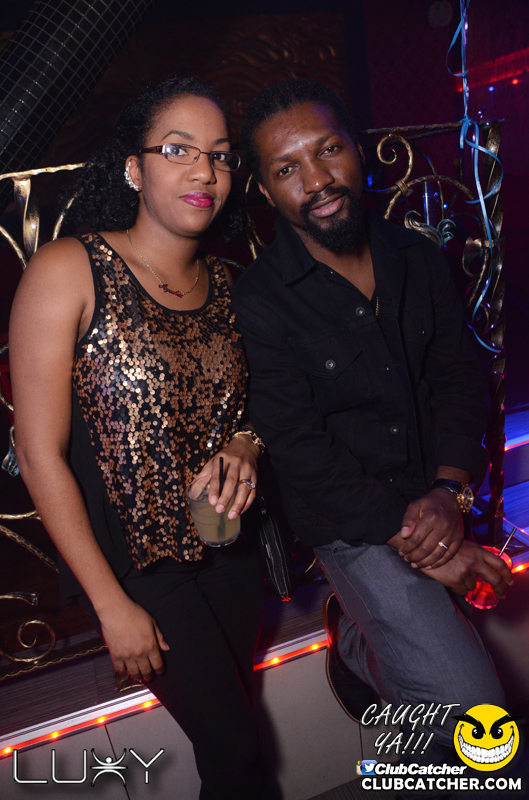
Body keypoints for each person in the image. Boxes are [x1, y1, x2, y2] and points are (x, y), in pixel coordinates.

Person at [232, 78, 513, 792]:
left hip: (433, 490)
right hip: (351, 520)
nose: (316, 180)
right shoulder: (260, 303)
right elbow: (300, 451)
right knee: (478, 717)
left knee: (444, 703)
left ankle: (361, 649)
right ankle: (360, 644)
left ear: (357, 151)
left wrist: (449, 492)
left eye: (328, 150)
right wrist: (431, 548)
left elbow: (458, 378)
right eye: (287, 168)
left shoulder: (416, 256)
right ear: (264, 190)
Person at [9, 76, 272, 800]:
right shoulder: (69, 269)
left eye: (220, 155)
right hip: (136, 568)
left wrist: (246, 445)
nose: (204, 172)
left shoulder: (232, 285)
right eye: (178, 150)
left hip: (229, 550)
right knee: (237, 751)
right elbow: (37, 453)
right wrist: (109, 604)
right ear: (134, 167)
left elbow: (258, 410)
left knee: (233, 748)